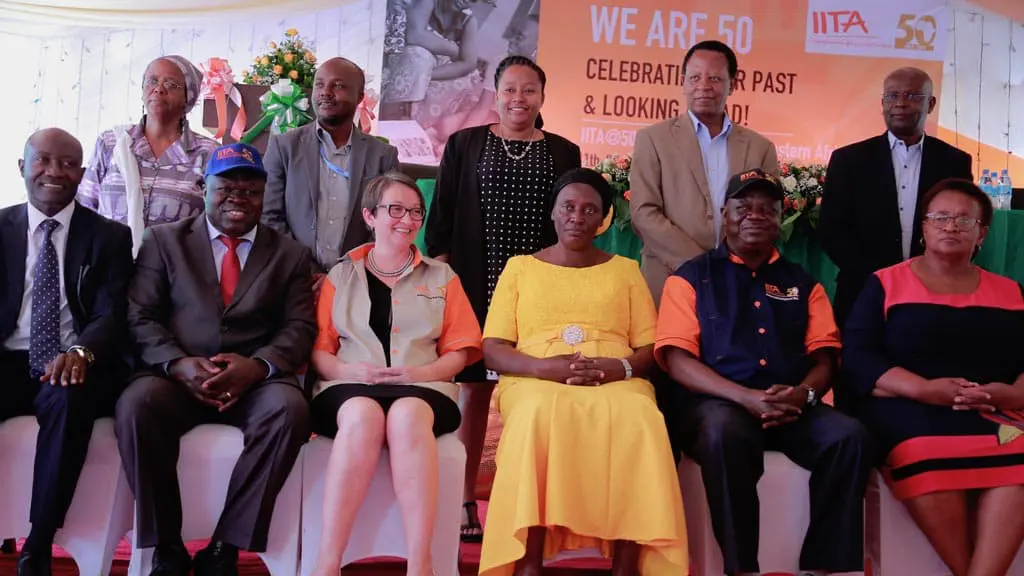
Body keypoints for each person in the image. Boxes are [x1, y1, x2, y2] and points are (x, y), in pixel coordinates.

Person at [655, 169, 872, 576]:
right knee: (723, 435)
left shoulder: (804, 283)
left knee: (849, 437)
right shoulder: (690, 278)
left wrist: (804, 394)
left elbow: (825, 357)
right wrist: (745, 398)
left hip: (791, 405)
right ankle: (742, 569)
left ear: (779, 219)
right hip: (718, 405)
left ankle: (823, 567)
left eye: (766, 209)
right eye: (744, 207)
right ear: (725, 214)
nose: (755, 215)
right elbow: (678, 359)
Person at [116, 143, 315, 576]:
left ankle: (225, 547)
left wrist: (257, 366)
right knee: (136, 404)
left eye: (250, 190)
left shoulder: (290, 254)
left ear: (264, 196)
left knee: (290, 410)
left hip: (254, 382)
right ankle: (166, 545)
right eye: (226, 187)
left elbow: (299, 327)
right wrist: (177, 363)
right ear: (203, 188)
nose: (238, 198)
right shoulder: (164, 241)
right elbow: (140, 315)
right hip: (177, 377)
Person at [478, 168, 688, 576]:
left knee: (641, 417)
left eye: (589, 209)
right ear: (553, 212)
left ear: (603, 219)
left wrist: (619, 368)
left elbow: (650, 346)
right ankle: (528, 563)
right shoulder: (519, 268)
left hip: (613, 375)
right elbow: (493, 348)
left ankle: (627, 565)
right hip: (535, 377)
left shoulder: (626, 270)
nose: (577, 217)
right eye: (568, 207)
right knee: (537, 414)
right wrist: (544, 369)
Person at [424, 54, 581, 542]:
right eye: (510, 89)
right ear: (496, 94)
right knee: (474, 392)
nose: (519, 99)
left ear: (542, 97)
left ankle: (530, 505)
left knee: (537, 394)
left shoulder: (564, 152)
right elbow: (442, 219)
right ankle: (464, 500)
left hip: (538, 292)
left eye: (529, 90)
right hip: (476, 284)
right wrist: (444, 290)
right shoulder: (465, 144)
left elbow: (569, 224)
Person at [843, 179, 1024, 576]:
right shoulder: (885, 283)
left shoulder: (1012, 292)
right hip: (907, 408)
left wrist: (1011, 395)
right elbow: (857, 357)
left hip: (993, 410)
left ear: (982, 233)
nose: (951, 226)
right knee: (923, 451)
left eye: (964, 219)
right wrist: (925, 390)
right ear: (923, 228)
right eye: (940, 217)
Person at [307, 172, 482, 576]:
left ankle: (421, 563)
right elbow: (319, 351)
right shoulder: (340, 275)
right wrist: (350, 371)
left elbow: (461, 351)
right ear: (370, 216)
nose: (408, 220)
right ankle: (327, 563)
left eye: (416, 212)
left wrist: (421, 373)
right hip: (348, 384)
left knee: (407, 415)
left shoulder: (442, 276)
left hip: (424, 386)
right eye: (396, 210)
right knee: (362, 415)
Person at [0, 128, 133, 576]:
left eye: (68, 163)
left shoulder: (110, 237)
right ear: (23, 167)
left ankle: (38, 542)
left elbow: (111, 313)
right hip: (9, 356)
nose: (54, 172)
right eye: (43, 160)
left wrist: (81, 351)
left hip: (72, 359)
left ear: (82, 172)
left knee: (70, 400)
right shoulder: (1, 228)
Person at [819, 66, 973, 329]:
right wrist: (880, 278)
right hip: (863, 291)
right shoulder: (849, 160)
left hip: (934, 293)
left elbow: (964, 227)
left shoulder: (954, 162)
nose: (900, 103)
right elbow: (831, 230)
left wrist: (932, 273)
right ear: (882, 103)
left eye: (912, 95)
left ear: (931, 104)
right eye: (892, 96)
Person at [630, 40, 779, 305]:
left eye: (715, 78)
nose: (704, 86)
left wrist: (731, 265)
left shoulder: (760, 148)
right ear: (683, 82)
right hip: (669, 277)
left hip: (739, 282)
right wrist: (702, 266)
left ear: (733, 84)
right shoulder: (653, 139)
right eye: (695, 77)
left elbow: (768, 215)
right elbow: (643, 212)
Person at [262, 56, 400, 273]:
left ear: (360, 96)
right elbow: (269, 217)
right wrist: (306, 270)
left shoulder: (383, 155)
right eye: (319, 85)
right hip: (294, 276)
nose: (325, 92)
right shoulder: (284, 147)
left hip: (357, 278)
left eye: (338, 86)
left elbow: (387, 224)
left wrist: (348, 274)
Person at [78, 55, 218, 256]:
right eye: (152, 81)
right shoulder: (112, 142)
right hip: (108, 265)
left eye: (171, 84)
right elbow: (84, 209)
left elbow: (215, 223)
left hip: (174, 269)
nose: (158, 89)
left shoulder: (208, 153)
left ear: (188, 97)